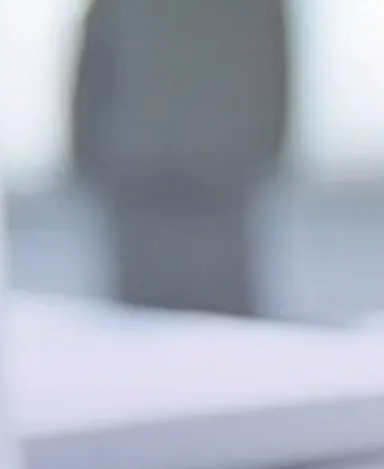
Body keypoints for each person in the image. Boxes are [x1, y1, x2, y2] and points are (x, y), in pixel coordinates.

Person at [69, 0, 292, 317]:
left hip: (201, 172)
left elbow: (275, 70)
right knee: (151, 316)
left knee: (208, 314)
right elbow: (94, 71)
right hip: (155, 171)